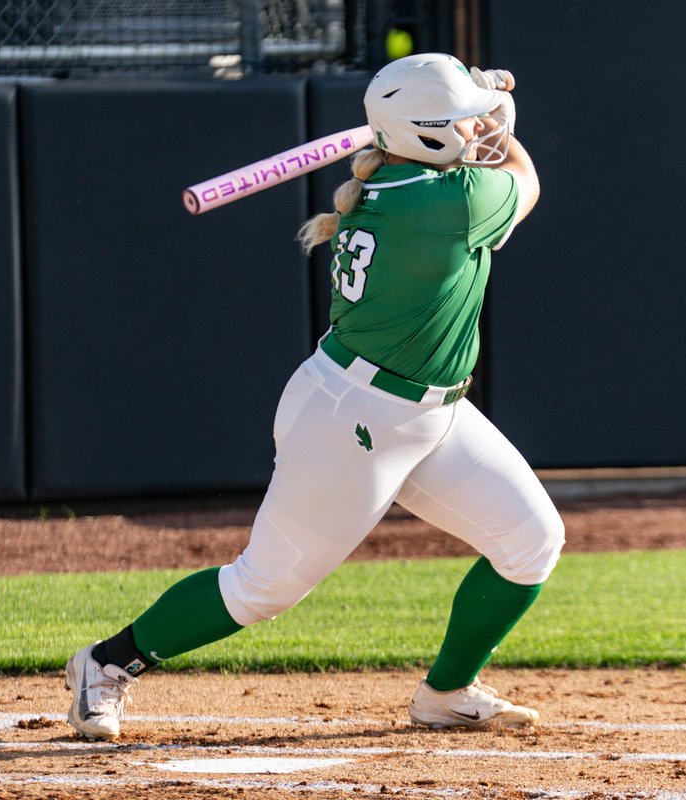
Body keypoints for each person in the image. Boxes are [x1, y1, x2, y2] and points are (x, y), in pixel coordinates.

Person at [63, 52, 565, 740]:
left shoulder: (403, 182)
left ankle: (446, 693)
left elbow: (472, 156)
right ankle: (105, 663)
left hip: (431, 414)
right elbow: (523, 178)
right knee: (260, 589)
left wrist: (475, 103)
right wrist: (506, 127)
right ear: (421, 133)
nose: (477, 125)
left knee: (530, 540)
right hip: (352, 420)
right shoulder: (451, 202)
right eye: (461, 119)